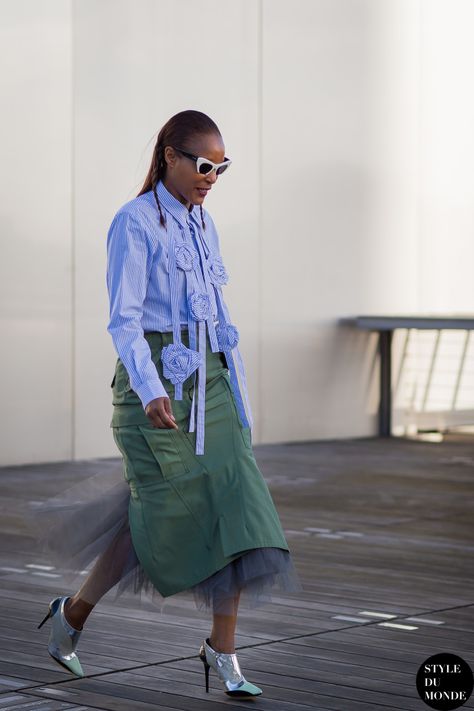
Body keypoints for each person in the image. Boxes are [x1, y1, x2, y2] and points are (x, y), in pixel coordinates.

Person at [35, 109, 303, 697]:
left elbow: (218, 318)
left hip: (212, 383)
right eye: (204, 165)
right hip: (151, 388)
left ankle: (223, 653)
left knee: (238, 504)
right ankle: (73, 615)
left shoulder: (205, 224)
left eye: (222, 167)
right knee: (150, 518)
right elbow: (123, 322)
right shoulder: (133, 223)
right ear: (170, 158)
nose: (212, 176)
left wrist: (239, 392)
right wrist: (153, 388)